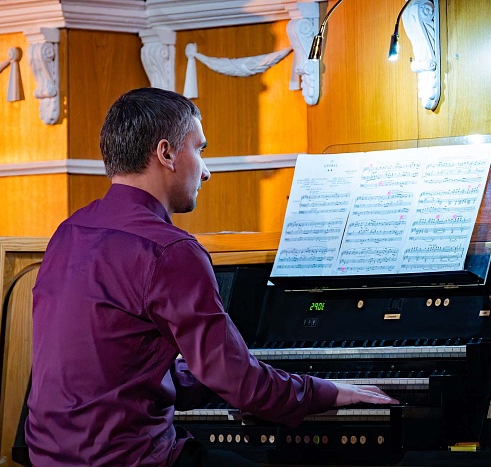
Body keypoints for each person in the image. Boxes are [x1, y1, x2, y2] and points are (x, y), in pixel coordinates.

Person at [25, 87, 397, 467]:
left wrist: (219, 380)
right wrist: (325, 391)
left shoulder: (69, 232)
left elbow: (117, 369)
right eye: (199, 149)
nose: (205, 170)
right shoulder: (170, 250)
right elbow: (243, 383)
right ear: (166, 154)